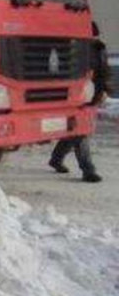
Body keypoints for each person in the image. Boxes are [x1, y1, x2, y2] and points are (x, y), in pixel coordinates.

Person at [48, 23, 110, 183]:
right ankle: (88, 170)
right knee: (80, 131)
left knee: (76, 131)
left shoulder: (99, 49)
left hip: (93, 94)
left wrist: (104, 90)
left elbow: (104, 72)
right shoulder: (72, 49)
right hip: (76, 96)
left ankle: (56, 159)